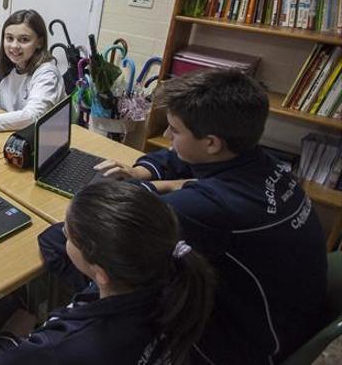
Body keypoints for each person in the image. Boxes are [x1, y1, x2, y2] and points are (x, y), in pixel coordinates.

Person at [94, 68, 328, 364]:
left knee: (111, 276)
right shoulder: (260, 162)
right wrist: (142, 171)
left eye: (175, 131)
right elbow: (178, 159)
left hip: (246, 345)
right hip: (290, 314)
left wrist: (149, 186)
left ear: (212, 143)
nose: (166, 136)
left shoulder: (210, 208)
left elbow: (119, 220)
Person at [0, 182, 216, 365]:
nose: (64, 235)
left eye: (71, 235)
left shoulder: (66, 347)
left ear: (101, 272)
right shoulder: (166, 278)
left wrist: (9, 337)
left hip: (31, 349)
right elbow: (52, 240)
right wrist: (82, 221)